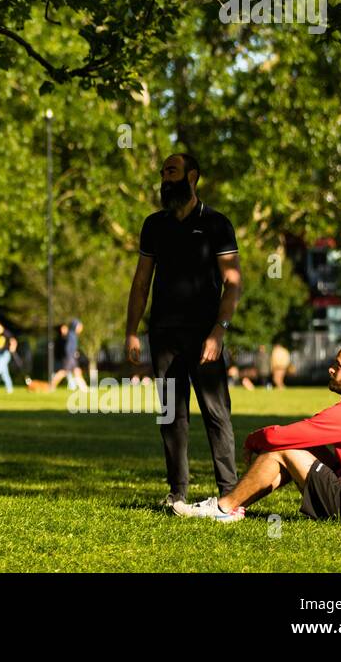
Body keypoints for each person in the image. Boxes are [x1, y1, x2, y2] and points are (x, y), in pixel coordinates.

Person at [125, 153, 242, 513]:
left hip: (204, 335)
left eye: (171, 171)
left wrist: (218, 332)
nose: (164, 177)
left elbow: (232, 283)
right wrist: (131, 331)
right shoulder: (153, 225)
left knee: (216, 413)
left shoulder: (217, 224)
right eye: (162, 172)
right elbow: (141, 280)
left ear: (192, 176)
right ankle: (177, 492)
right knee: (171, 416)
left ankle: (231, 493)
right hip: (164, 336)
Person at [176, 343, 341, 524]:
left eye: (338, 366)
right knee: (300, 447)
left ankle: (223, 508)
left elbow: (285, 436)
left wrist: (253, 439)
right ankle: (232, 506)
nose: (331, 369)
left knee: (284, 448)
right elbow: (305, 436)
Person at [50, 318, 89, 391]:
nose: (81, 328)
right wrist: (71, 354)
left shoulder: (72, 335)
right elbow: (68, 348)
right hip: (69, 358)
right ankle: (51, 386)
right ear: (75, 326)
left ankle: (84, 388)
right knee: (63, 372)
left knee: (77, 371)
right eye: (79, 326)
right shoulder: (71, 335)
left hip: (71, 358)